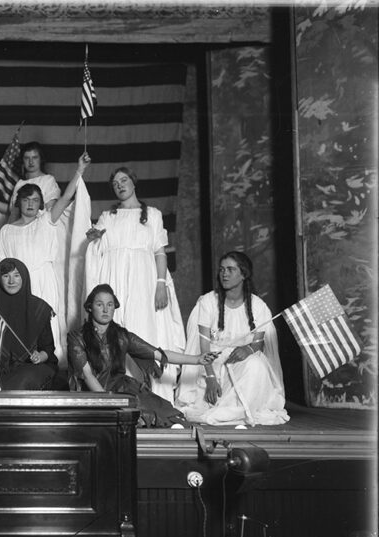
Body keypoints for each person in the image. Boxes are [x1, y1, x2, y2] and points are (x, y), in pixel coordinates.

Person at [84, 166, 185, 403]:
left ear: (133, 182)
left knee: (143, 328)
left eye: (124, 179)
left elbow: (159, 252)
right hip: (114, 278)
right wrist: (92, 239)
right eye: (115, 182)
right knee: (117, 331)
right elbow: (94, 247)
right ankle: (120, 394)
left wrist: (161, 284)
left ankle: (153, 396)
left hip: (144, 281)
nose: (120, 184)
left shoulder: (153, 214)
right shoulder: (108, 216)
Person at [68, 284, 218, 428]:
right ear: (90, 307)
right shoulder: (76, 337)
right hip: (92, 395)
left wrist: (197, 359)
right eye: (100, 304)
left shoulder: (122, 336)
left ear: (114, 308)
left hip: (122, 390)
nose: (105, 309)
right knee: (121, 418)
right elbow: (88, 376)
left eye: (110, 304)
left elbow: (159, 354)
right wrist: (109, 403)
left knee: (167, 414)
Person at [0, 152, 91, 365]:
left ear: (41, 204)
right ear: (18, 203)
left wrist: (80, 170)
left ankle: (50, 365)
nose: (30, 204)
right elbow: (1, 266)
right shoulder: (7, 231)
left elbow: (66, 197)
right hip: (18, 284)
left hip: (42, 280)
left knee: (45, 324)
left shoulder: (47, 221)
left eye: (35, 200)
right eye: (26, 200)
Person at [175, 251, 289, 426]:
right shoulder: (208, 302)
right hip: (212, 362)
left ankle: (236, 411)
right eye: (221, 270)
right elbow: (203, 346)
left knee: (257, 364)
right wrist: (210, 378)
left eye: (230, 269)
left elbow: (258, 344)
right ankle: (225, 409)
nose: (224, 274)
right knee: (206, 392)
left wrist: (248, 349)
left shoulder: (258, 306)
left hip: (241, 362)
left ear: (243, 274)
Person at [0, 258, 58, 391]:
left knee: (19, 381)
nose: (11, 281)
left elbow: (48, 349)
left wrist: (40, 356)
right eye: (6, 276)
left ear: (24, 277)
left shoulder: (39, 308)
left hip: (35, 366)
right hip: (1, 368)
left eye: (16, 275)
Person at [7, 142, 62, 221]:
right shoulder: (19, 183)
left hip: (40, 228)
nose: (31, 162)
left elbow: (51, 213)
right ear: (22, 160)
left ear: (40, 159)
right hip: (19, 229)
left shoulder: (48, 180)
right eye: (27, 158)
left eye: (35, 157)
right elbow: (13, 213)